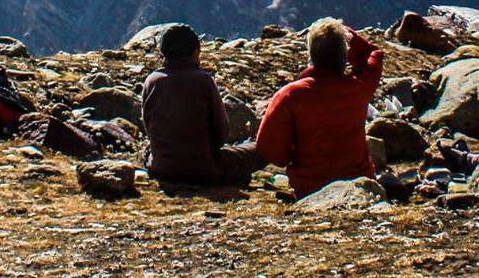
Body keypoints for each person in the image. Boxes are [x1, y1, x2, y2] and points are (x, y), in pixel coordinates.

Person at [255, 18, 384, 198]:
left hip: (309, 189)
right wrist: (345, 34)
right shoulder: (359, 86)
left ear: (311, 54)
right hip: (357, 186)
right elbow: (372, 53)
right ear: (344, 55)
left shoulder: (291, 95)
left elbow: (268, 148)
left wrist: (293, 158)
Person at [140, 24, 261, 187]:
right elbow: (221, 131)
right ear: (195, 51)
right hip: (204, 169)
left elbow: (149, 127)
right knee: (260, 150)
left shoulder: (152, 81)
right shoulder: (203, 80)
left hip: (161, 167)